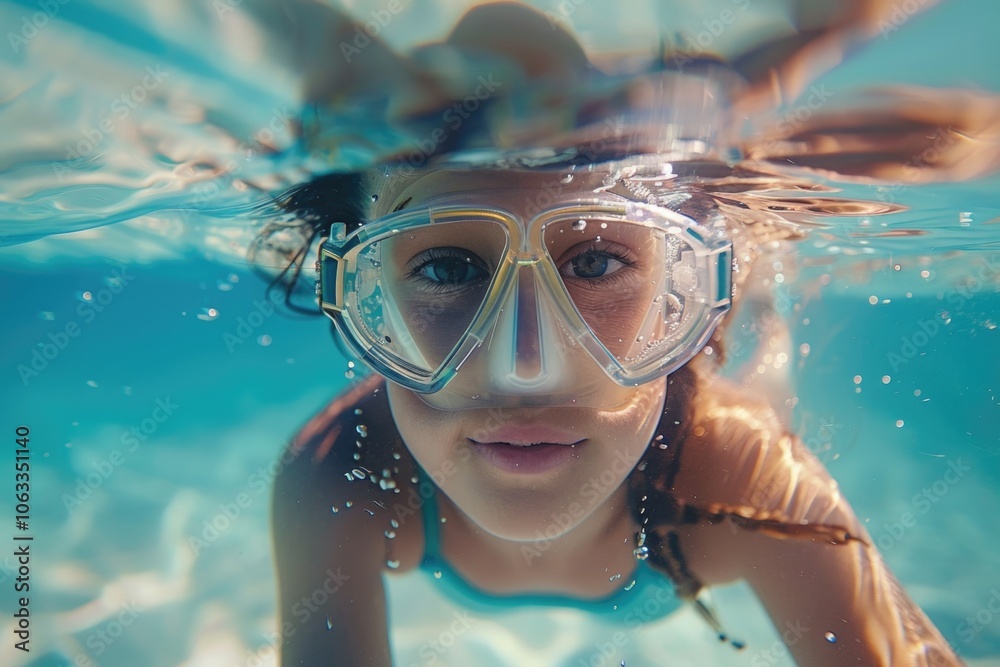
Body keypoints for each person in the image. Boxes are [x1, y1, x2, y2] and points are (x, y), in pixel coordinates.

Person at [265, 153, 962, 666]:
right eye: (448, 267)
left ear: (681, 294)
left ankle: (765, 319)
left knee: (764, 386)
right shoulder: (339, 473)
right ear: (364, 299)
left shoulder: (747, 479)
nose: (527, 371)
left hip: (700, 443)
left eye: (596, 263)